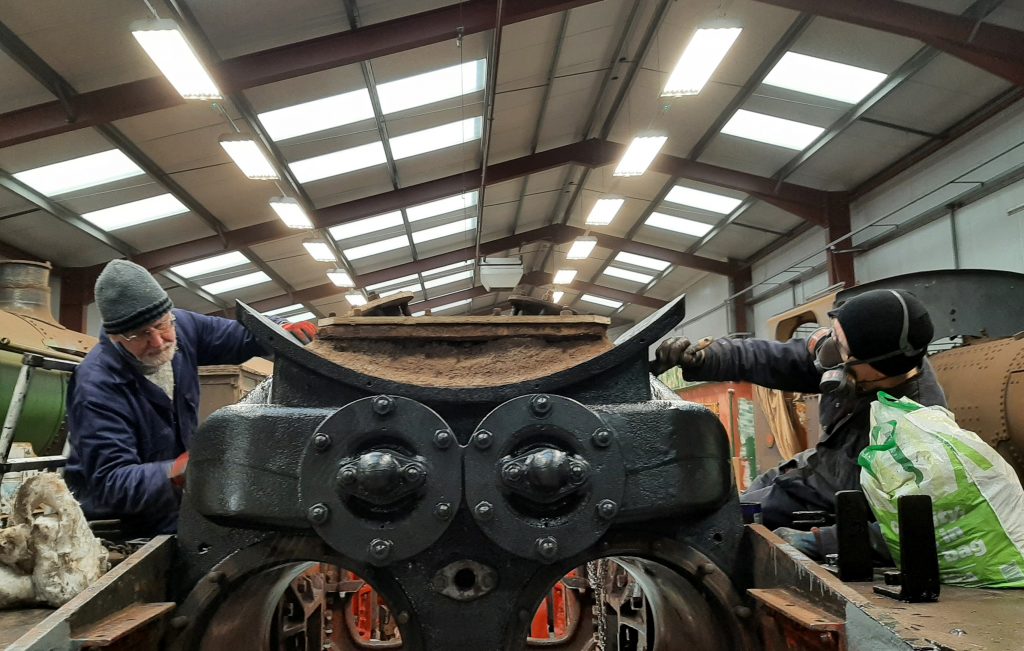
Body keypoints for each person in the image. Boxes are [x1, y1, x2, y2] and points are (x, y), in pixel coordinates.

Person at [651, 288, 946, 559]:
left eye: (841, 347)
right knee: (733, 506)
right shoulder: (854, 364)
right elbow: (770, 358)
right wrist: (705, 359)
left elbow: (922, 530)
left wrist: (820, 543)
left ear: (876, 366)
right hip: (814, 470)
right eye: (833, 335)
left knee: (723, 531)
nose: (829, 352)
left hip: (843, 505)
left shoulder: (917, 432)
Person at [64, 259, 317, 538]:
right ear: (115, 337)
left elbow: (240, 336)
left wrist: (279, 330)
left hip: (178, 499)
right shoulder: (96, 386)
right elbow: (112, 484)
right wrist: (179, 471)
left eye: (161, 326)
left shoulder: (181, 325)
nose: (159, 342)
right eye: (140, 335)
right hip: (123, 522)